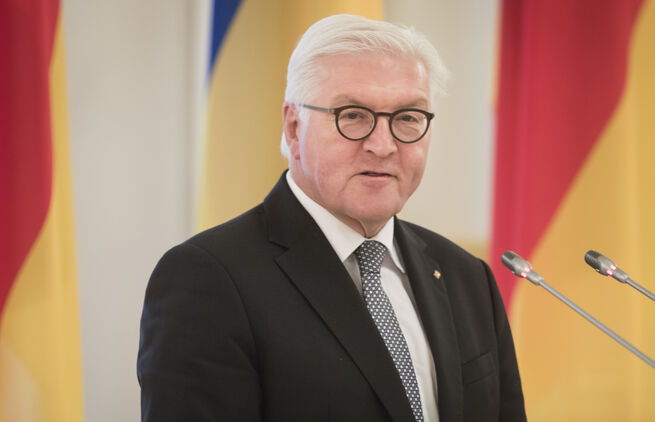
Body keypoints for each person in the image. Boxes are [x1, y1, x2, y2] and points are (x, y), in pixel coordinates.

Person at [137, 14, 526, 422]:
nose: (383, 145)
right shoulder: (208, 278)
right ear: (293, 128)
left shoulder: (468, 277)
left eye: (408, 117)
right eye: (353, 115)